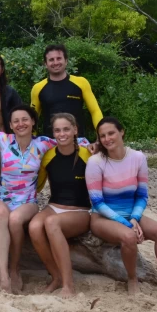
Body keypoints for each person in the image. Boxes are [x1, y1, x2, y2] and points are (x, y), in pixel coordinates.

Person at [0, 104, 89, 293]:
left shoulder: (43, 143)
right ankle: (3, 274)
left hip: (28, 201)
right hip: (1, 197)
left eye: (25, 119)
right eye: (16, 120)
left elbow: (69, 138)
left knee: (15, 220)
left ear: (32, 121)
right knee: (0, 213)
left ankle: (15, 268)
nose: (20, 123)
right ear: (10, 124)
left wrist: (91, 144)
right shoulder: (2, 139)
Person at [87, 117, 157, 297]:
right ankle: (132, 279)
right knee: (129, 237)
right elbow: (97, 202)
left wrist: (134, 218)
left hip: (131, 212)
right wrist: (128, 224)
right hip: (102, 217)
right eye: (102, 136)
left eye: (111, 133)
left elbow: (142, 195)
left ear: (122, 132)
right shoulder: (96, 162)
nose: (107, 139)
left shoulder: (137, 157)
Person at [28, 113, 93, 298]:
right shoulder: (48, 156)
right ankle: (55, 277)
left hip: (80, 210)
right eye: (57, 130)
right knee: (34, 226)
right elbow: (37, 185)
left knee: (51, 223)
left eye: (66, 129)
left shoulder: (88, 153)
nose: (62, 134)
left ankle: (68, 284)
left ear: (75, 130)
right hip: (54, 205)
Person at [30, 44, 102, 137]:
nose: (55, 62)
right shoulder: (38, 88)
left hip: (77, 141)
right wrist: (31, 140)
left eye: (59, 58)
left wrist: (101, 135)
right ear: (45, 64)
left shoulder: (81, 83)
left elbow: (95, 111)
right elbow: (32, 118)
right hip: (50, 143)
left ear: (66, 61)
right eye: (51, 60)